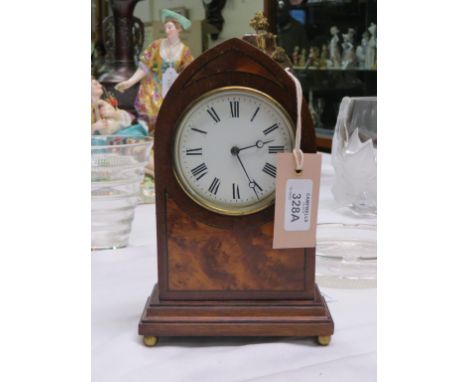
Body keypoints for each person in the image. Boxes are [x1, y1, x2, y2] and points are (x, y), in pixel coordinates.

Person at [115, 9, 194, 131]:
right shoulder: (156, 46)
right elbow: (144, 67)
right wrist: (130, 82)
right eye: (166, 27)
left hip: (172, 90)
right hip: (153, 90)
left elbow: (189, 73)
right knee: (153, 123)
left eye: (170, 27)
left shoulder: (185, 51)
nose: (167, 31)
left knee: (170, 124)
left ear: (179, 29)